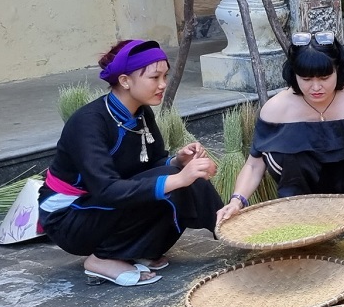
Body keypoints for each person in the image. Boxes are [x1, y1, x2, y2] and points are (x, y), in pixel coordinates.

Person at [39, 39, 223, 286]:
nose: (163, 84)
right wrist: (179, 177)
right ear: (125, 81)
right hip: (69, 218)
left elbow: (153, 163)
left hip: (105, 204)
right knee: (176, 180)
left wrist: (178, 160)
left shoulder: (141, 112)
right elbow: (107, 190)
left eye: (165, 76)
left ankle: (226, 226)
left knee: (178, 174)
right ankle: (102, 259)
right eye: (155, 77)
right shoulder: (88, 123)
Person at [216, 32, 344, 228]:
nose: (316, 87)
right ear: (294, 75)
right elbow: (254, 165)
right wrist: (237, 201)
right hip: (307, 185)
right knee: (277, 154)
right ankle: (304, 212)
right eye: (306, 79)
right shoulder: (275, 109)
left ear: (338, 70)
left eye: (325, 77)